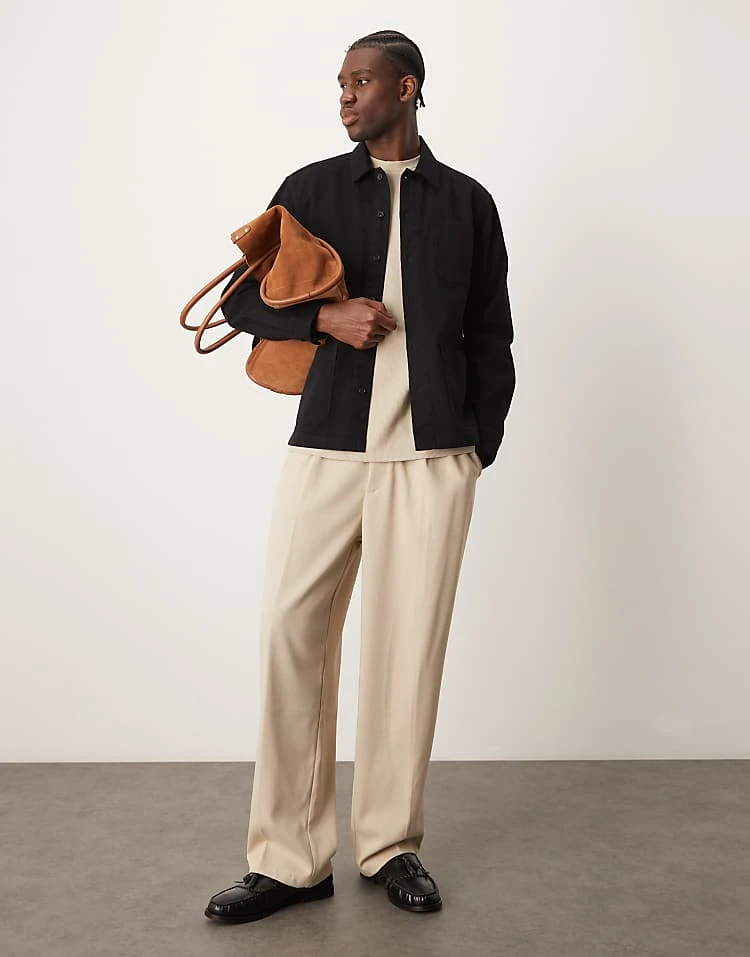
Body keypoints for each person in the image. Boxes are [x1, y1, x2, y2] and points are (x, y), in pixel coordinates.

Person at [204, 28, 515, 923]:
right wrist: (324, 319)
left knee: (405, 653)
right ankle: (289, 859)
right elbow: (242, 297)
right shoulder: (310, 189)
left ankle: (390, 843)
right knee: (290, 631)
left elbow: (492, 333)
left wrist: (475, 446)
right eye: (340, 82)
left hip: (433, 455)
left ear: (406, 88)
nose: (344, 95)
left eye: (361, 80)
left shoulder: (468, 202)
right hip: (330, 446)